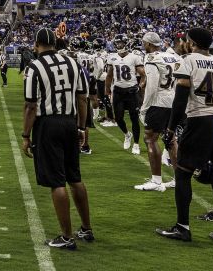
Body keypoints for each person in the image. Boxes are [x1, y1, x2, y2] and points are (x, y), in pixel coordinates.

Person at [155, 28, 213, 246]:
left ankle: (182, 227)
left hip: (199, 121)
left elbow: (180, 99)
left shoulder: (189, 60)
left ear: (191, 43)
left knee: (183, 174)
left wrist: (171, 128)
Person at [21, 21, 94, 250]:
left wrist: (25, 135)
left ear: (36, 45)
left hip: (48, 124)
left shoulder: (34, 67)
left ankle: (66, 236)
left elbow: (31, 105)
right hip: (70, 122)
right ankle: (86, 228)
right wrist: (82, 128)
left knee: (56, 181)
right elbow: (83, 98)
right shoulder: (73, 62)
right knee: (75, 177)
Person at [136, 32, 180, 192]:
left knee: (150, 138)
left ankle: (156, 181)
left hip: (158, 102)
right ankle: (178, 178)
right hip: (173, 100)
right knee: (171, 139)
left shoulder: (151, 58)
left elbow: (152, 86)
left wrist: (145, 108)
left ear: (148, 43)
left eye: (144, 42)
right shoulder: (173, 56)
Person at [104, 37, 146, 155]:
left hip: (131, 91)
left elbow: (143, 74)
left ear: (126, 43)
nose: (118, 45)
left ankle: (136, 144)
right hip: (118, 91)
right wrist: (107, 91)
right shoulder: (112, 57)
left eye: (120, 42)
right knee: (118, 118)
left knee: (134, 118)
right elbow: (109, 75)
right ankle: (127, 135)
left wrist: (140, 86)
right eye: (117, 43)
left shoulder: (134, 57)